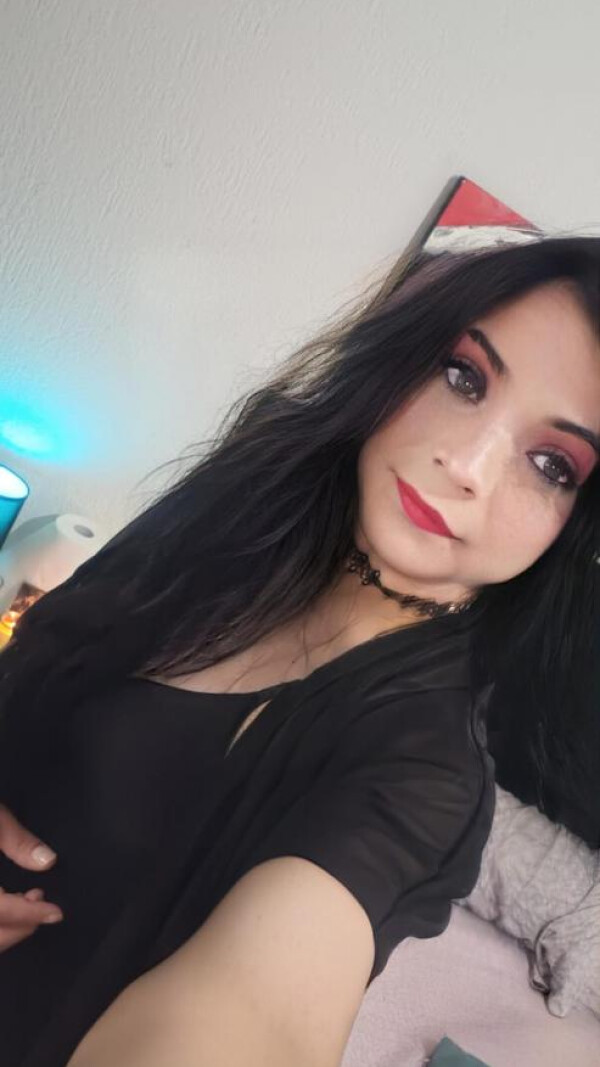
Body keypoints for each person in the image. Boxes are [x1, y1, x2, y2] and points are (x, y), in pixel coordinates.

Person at [0, 234, 598, 1067]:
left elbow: (259, 1012)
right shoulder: (249, 491)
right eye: (464, 376)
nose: (465, 463)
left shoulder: (424, 778)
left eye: (551, 464)